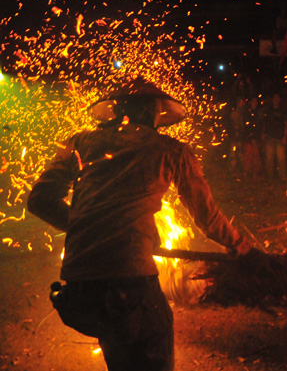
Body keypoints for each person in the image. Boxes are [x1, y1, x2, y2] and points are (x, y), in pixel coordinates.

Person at [27, 78, 253, 371]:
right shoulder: (169, 149)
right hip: (130, 285)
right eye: (157, 110)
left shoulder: (81, 142)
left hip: (81, 289)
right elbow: (206, 217)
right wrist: (242, 247)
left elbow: (40, 200)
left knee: (119, 353)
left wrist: (89, 227)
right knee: (150, 342)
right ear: (152, 112)